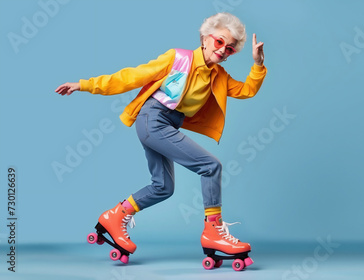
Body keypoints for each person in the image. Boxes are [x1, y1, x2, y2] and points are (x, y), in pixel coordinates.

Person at [55, 12, 266, 267]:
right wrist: (84, 84)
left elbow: (246, 90)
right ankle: (213, 232)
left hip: (168, 124)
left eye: (230, 49)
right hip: (152, 120)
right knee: (211, 166)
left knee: (163, 187)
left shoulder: (218, 76)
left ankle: (115, 216)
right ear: (204, 38)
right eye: (220, 42)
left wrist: (257, 65)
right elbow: (131, 76)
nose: (223, 51)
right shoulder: (178, 58)